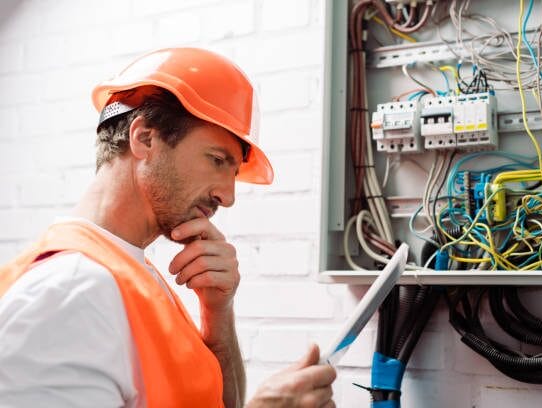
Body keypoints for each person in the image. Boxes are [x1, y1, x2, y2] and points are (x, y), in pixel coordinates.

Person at [0, 47, 336, 407]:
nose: (227, 196)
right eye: (217, 160)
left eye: (233, 171)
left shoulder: (132, 275)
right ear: (144, 139)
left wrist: (218, 313)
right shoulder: (70, 292)